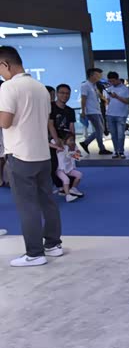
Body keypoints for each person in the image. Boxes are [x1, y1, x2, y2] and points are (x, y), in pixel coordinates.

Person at [0, 46, 63, 267]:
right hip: (42, 154)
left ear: (5, 64)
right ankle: (53, 245)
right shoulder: (40, 87)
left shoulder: (9, 87)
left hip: (20, 154)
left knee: (27, 205)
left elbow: (5, 122)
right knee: (47, 201)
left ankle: (35, 253)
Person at [49, 84, 76, 189]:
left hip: (66, 142)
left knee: (69, 163)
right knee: (55, 165)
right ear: (57, 94)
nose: (65, 95)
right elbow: (50, 124)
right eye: (62, 93)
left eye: (67, 93)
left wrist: (73, 142)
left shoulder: (70, 111)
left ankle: (68, 186)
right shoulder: (51, 107)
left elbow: (71, 127)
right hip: (53, 141)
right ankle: (58, 185)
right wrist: (56, 140)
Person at [80, 67, 111, 156]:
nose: (100, 76)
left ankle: (86, 143)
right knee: (100, 129)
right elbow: (83, 99)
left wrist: (105, 99)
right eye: (98, 75)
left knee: (100, 129)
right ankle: (101, 148)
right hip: (91, 111)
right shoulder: (85, 85)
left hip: (97, 110)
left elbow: (98, 94)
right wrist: (83, 111)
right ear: (92, 75)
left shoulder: (94, 85)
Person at [103, 72, 129, 158]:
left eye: (113, 81)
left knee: (121, 134)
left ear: (117, 79)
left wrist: (117, 96)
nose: (112, 83)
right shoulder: (109, 89)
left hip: (121, 115)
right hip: (110, 114)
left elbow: (128, 101)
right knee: (113, 135)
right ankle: (116, 151)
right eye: (110, 81)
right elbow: (107, 101)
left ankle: (121, 151)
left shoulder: (125, 89)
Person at [53, 134, 83, 202]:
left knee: (79, 174)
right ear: (65, 140)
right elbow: (52, 141)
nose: (72, 142)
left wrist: (78, 153)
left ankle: (73, 189)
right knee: (66, 180)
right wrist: (58, 143)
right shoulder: (60, 147)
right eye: (70, 140)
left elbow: (79, 158)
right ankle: (68, 196)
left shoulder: (72, 148)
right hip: (60, 170)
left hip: (68, 169)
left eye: (73, 140)